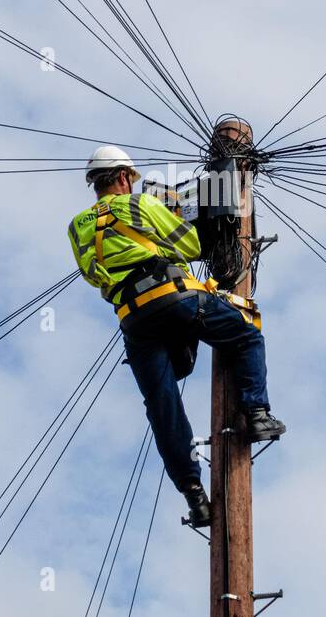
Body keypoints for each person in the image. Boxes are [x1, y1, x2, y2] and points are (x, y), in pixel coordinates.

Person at [67, 145, 286, 527]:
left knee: (162, 405)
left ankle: (194, 495)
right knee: (247, 334)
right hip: (174, 297)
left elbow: (92, 275)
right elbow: (191, 245)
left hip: (133, 319)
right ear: (123, 178)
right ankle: (258, 414)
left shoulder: (77, 226)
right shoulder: (141, 206)